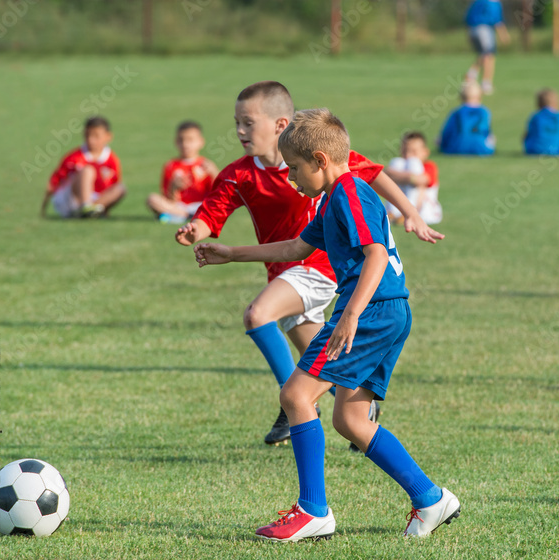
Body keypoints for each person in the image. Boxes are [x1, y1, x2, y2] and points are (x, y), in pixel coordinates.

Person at [194, 108, 461, 541]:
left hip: (371, 311)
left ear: (320, 160)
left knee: (296, 395)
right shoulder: (335, 196)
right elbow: (297, 246)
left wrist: (350, 315)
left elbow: (375, 255)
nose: (292, 179)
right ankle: (430, 498)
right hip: (386, 310)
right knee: (351, 421)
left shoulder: (351, 192)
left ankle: (314, 511)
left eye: (296, 169)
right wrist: (232, 253)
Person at [175, 82, 443, 448]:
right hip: (286, 271)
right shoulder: (240, 174)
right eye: (236, 122)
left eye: (248, 123)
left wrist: (411, 213)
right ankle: (357, 414)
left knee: (258, 317)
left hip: (322, 269)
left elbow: (373, 175)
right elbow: (216, 215)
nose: (239, 131)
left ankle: (294, 408)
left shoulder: (323, 160)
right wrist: (197, 231)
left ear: (280, 124)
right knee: (328, 366)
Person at [42, 116, 127, 218]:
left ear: (108, 136)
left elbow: (111, 186)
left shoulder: (112, 160)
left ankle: (90, 212)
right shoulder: (74, 157)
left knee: (120, 188)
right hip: (70, 200)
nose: (91, 140)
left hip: (94, 198)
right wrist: (43, 209)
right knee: (87, 171)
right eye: (88, 135)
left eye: (96, 136)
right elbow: (53, 183)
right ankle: (86, 207)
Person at [147, 121, 219, 224]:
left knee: (216, 204)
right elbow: (168, 199)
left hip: (200, 205)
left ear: (201, 142)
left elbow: (218, 192)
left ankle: (176, 217)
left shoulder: (206, 165)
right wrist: (173, 187)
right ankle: (188, 216)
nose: (185, 144)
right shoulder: (171, 165)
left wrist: (214, 172)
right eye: (181, 140)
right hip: (179, 206)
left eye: (190, 140)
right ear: (176, 142)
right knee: (152, 199)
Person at [384, 131, 442, 225]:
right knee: (397, 162)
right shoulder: (401, 165)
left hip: (425, 210)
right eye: (405, 151)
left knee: (413, 163)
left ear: (425, 152)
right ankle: (393, 212)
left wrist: (392, 174)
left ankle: (407, 213)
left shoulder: (429, 166)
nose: (408, 155)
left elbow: (420, 180)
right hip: (402, 204)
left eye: (413, 151)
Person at [464, 0, 510, 94]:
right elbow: (496, 20)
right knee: (489, 55)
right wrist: (503, 34)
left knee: (483, 54)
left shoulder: (478, 1)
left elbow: (468, 17)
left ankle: (470, 75)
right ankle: (486, 83)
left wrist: (468, 34)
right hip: (484, 30)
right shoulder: (493, 2)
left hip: (473, 29)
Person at [439, 81, 495, 156]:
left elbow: (447, 133)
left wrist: (443, 145)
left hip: (456, 148)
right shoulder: (484, 112)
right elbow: (486, 132)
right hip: (481, 149)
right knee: (492, 139)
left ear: (461, 97)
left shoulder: (457, 112)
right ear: (480, 96)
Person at [523, 88, 559, 156]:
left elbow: (527, 134)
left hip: (535, 150)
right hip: (558, 150)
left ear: (538, 103)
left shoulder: (536, 117)